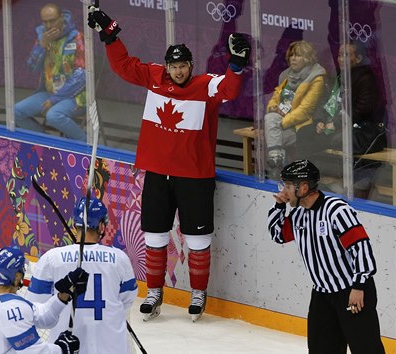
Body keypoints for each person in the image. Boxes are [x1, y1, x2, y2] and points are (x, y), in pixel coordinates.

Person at [87, 7, 250, 321]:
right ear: (168, 66)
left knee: (198, 240)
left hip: (195, 177)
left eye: (182, 66)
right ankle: (154, 291)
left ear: (190, 65)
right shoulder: (154, 77)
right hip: (158, 174)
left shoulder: (206, 86)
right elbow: (123, 65)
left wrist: (237, 64)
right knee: (154, 236)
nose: (177, 71)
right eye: (173, 66)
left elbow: (229, 88)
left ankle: (198, 294)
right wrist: (109, 35)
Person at [268, 160, 385, 353]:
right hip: (322, 296)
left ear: (304, 187)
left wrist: (358, 286)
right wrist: (279, 206)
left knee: (366, 349)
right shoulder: (298, 215)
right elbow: (278, 234)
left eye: (288, 186)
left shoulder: (336, 210)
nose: (283, 190)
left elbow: (361, 247)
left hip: (352, 292)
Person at [26, 197, 138, 353]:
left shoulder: (52, 258)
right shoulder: (120, 258)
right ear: (101, 226)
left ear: (75, 225)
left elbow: (33, 308)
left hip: (67, 348)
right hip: (112, 347)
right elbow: (127, 299)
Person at [295, 41, 385, 198]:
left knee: (338, 139)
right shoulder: (336, 76)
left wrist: (334, 123)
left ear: (358, 58)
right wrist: (320, 121)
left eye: (346, 55)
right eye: (339, 55)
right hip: (333, 126)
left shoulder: (366, 78)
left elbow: (361, 111)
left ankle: (350, 185)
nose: (341, 59)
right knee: (304, 133)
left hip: (361, 131)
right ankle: (304, 179)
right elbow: (324, 102)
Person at [0, 246, 88, 354]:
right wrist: (62, 349)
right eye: (22, 269)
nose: (23, 273)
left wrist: (62, 296)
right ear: (16, 276)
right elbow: (33, 351)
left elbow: (43, 316)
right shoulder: (10, 309)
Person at [14, 3, 87, 141]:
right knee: (15, 112)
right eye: (45, 22)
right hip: (49, 92)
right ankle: (47, 143)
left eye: (52, 21)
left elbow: (82, 76)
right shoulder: (43, 38)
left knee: (53, 116)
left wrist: (55, 100)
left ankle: (86, 145)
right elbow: (30, 67)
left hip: (76, 96)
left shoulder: (76, 37)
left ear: (62, 19)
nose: (48, 26)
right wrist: (41, 46)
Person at [264, 40, 325, 171]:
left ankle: (280, 171)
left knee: (273, 138)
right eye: (291, 55)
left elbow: (305, 110)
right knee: (270, 120)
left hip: (302, 127)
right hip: (284, 122)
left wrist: (281, 123)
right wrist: (273, 108)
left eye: (298, 55)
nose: (293, 58)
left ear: (308, 58)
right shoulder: (286, 75)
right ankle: (280, 168)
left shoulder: (316, 77)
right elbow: (276, 96)